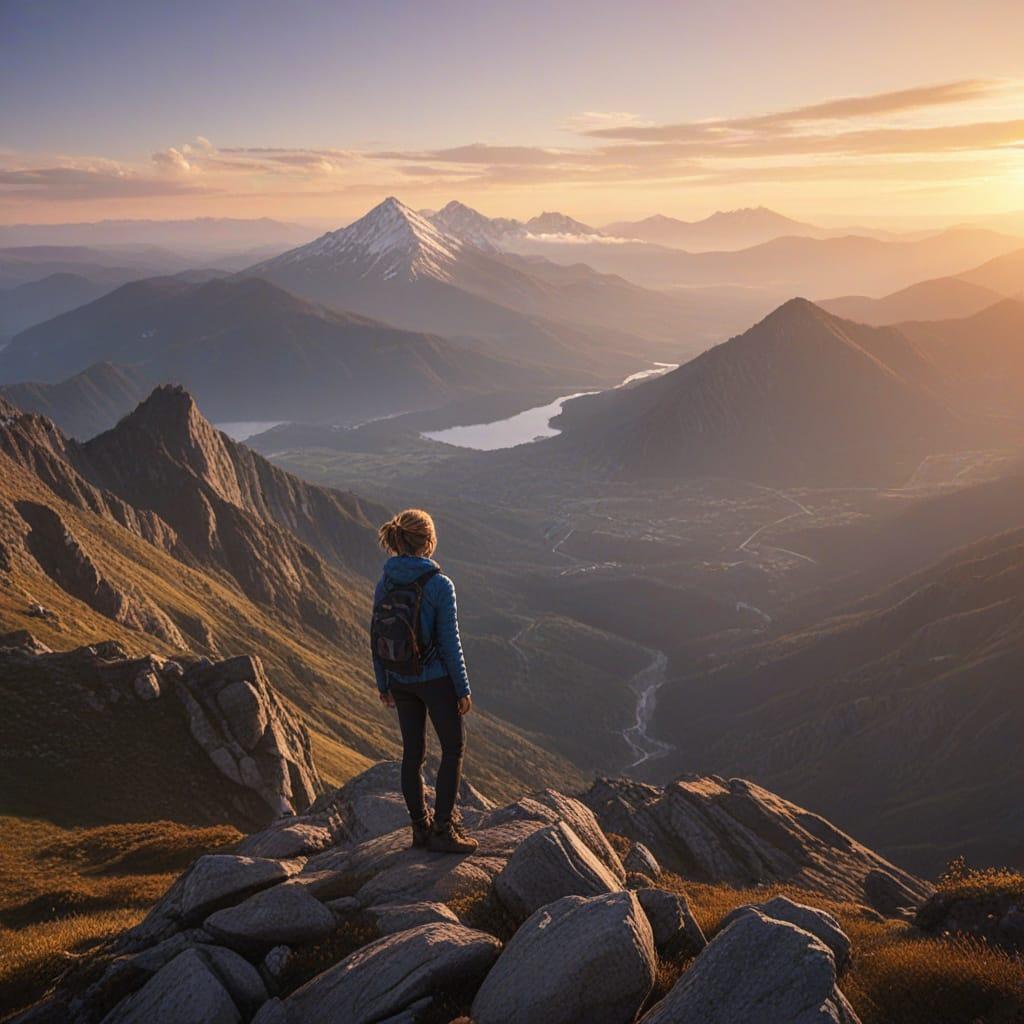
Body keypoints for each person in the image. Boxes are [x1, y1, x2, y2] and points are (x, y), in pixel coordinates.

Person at [371, 508, 477, 854]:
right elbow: (450, 641)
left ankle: (420, 829)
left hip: (400, 679)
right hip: (435, 680)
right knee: (453, 747)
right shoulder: (439, 584)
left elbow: (376, 634)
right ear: (428, 542)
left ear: (399, 540)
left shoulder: (385, 581)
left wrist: (383, 683)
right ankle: (443, 830)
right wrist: (462, 689)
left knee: (412, 754)